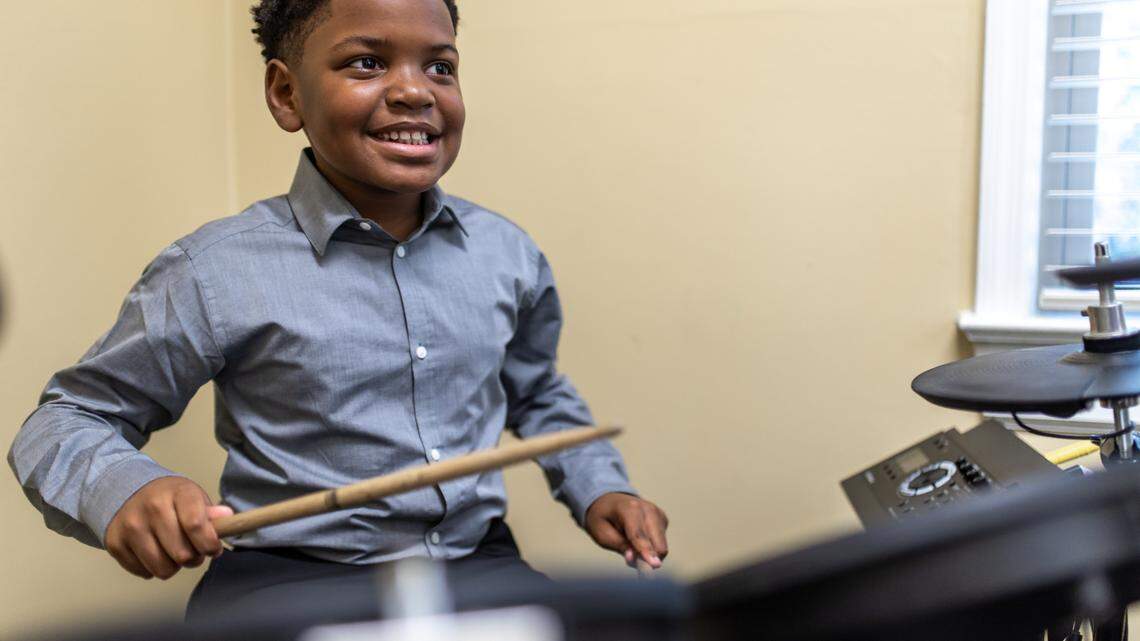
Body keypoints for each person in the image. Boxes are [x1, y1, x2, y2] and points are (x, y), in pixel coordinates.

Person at [7, 0, 668, 617]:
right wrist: (123, 485)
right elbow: (64, 421)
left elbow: (537, 391)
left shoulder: (508, 254)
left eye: (440, 66)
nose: (415, 90)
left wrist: (598, 486)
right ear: (286, 93)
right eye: (367, 62)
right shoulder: (214, 269)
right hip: (289, 579)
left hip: (475, 564)